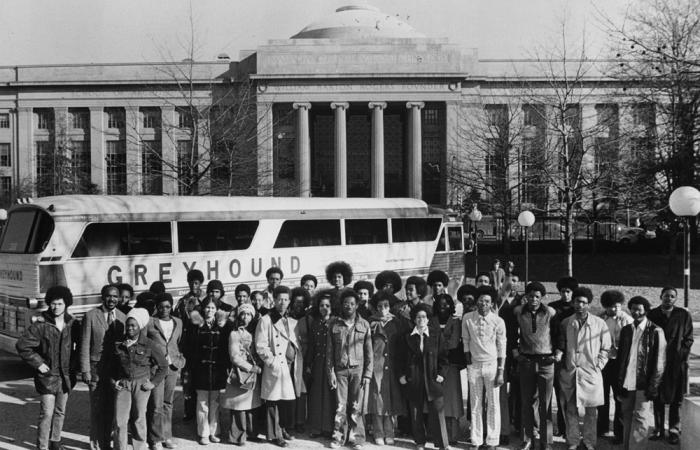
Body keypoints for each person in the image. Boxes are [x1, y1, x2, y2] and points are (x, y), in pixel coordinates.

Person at [16, 286, 79, 450]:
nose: (55, 307)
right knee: (47, 413)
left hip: (65, 376)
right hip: (47, 378)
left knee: (60, 412)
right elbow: (23, 345)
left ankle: (55, 443)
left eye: (59, 304)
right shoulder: (41, 324)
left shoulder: (72, 323)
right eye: (52, 303)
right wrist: (39, 363)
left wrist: (75, 366)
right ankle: (42, 447)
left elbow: (80, 346)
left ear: (66, 304)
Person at [558, 287, 611, 450]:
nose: (580, 305)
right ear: (573, 303)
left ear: (589, 304)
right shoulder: (566, 322)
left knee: (591, 412)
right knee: (571, 409)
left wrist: (599, 365)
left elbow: (606, 348)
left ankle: (589, 442)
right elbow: (561, 346)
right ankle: (573, 440)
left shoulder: (599, 323)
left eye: (583, 302)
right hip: (571, 372)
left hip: (591, 373)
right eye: (577, 302)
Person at [108, 308, 168, 450]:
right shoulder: (119, 345)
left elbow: (163, 366)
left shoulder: (149, 344)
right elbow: (111, 368)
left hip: (141, 385)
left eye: (133, 325)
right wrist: (113, 381)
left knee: (139, 418)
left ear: (140, 327)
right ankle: (120, 447)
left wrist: (153, 383)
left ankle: (140, 446)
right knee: (120, 420)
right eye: (128, 325)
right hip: (124, 385)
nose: (130, 328)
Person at [513, 281, 562, 450]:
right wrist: (516, 353)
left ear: (542, 297)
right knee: (527, 401)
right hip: (526, 361)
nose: (533, 299)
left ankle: (546, 441)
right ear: (526, 296)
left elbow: (558, 335)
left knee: (545, 403)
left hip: (546, 362)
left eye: (537, 296)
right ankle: (528, 438)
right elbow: (512, 333)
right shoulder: (519, 312)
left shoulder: (550, 312)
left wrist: (558, 353)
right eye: (530, 296)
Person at [255, 285, 305, 447]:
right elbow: (261, 346)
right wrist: (273, 362)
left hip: (291, 366)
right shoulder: (266, 320)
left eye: (285, 299)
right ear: (274, 300)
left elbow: (296, 342)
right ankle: (275, 434)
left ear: (289, 301)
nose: (282, 302)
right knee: (273, 401)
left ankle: (282, 428)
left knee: (286, 400)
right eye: (279, 299)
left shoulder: (292, 321)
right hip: (277, 366)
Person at [616, 296, 667, 450]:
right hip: (627, 381)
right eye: (633, 309)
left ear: (646, 310)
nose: (635, 312)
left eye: (639, 309)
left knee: (641, 418)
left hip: (643, 384)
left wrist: (653, 386)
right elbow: (621, 359)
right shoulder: (626, 330)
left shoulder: (656, 331)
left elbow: (660, 362)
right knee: (626, 417)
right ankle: (627, 447)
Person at [398, 303, 451, 450]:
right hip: (413, 379)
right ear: (414, 319)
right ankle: (420, 442)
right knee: (416, 413)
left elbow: (444, 357)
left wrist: (441, 374)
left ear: (428, 319)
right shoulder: (407, 336)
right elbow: (400, 358)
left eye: (424, 317)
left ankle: (442, 444)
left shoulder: (436, 334)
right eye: (418, 317)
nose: (421, 319)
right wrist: (402, 375)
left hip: (433, 378)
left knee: (437, 411)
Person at [81, 284, 126, 450]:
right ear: (102, 297)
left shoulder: (123, 317)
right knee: (97, 409)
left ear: (119, 298)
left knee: (112, 410)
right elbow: (84, 344)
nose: (112, 299)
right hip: (96, 370)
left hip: (115, 371)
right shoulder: (91, 316)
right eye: (108, 296)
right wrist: (85, 370)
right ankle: (96, 445)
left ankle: (107, 444)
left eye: (115, 296)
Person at [326, 289, 372, 450]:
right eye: (346, 303)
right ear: (341, 305)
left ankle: (357, 438)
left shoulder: (364, 325)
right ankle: (338, 438)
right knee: (340, 405)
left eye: (352, 303)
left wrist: (367, 374)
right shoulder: (334, 325)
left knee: (356, 405)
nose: (349, 306)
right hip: (340, 371)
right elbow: (329, 352)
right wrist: (330, 372)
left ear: (357, 305)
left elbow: (369, 352)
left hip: (358, 371)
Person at [647, 286, 694, 445]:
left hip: (676, 362)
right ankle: (659, 429)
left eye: (672, 296)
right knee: (657, 396)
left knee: (676, 399)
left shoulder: (683, 315)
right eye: (666, 295)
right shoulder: (652, 314)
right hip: (657, 362)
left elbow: (688, 338)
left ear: (676, 299)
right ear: (661, 296)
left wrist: (681, 355)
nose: (669, 298)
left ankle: (674, 430)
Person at [462, 285, 506, 450]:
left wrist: (501, 371)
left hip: (492, 366)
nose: (483, 304)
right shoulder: (467, 318)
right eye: (481, 300)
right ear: (476, 301)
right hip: (474, 366)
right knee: (475, 403)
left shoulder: (498, 321)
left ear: (492, 303)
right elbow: (465, 342)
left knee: (494, 404)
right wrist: (469, 365)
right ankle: (476, 440)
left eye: (487, 301)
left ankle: (492, 441)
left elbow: (502, 347)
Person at [183, 297, 230, 445]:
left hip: (217, 369)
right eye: (207, 308)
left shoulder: (222, 325)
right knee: (202, 402)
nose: (210, 311)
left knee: (215, 402)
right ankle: (203, 432)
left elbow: (225, 347)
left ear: (217, 310)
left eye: (213, 308)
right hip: (200, 369)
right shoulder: (195, 324)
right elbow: (189, 347)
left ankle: (214, 431)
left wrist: (225, 366)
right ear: (203, 309)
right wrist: (191, 368)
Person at [145, 293, 186, 450]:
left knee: (168, 403)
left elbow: (179, 343)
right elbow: (144, 343)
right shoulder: (150, 322)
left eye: (168, 306)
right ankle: (155, 438)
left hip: (172, 367)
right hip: (156, 368)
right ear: (157, 307)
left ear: (171, 306)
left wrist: (180, 359)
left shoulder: (178, 322)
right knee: (156, 404)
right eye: (161, 306)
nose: (164, 309)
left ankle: (167, 436)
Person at [367, 290, 407, 445]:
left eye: (386, 305)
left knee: (391, 398)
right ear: (376, 307)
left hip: (392, 365)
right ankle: (378, 431)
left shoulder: (396, 322)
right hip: (376, 365)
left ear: (390, 306)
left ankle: (390, 431)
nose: (383, 308)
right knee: (377, 399)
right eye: (380, 305)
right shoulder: (371, 322)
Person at [221, 303, 263, 446]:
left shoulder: (256, 332)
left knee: (252, 404)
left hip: (254, 374)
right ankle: (237, 436)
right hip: (241, 373)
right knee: (238, 406)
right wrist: (251, 367)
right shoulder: (234, 334)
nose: (246, 317)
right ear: (239, 316)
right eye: (243, 314)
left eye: (249, 314)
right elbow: (234, 357)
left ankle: (252, 433)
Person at [597, 290, 633, 443]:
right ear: (605, 306)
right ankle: (602, 427)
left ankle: (619, 432)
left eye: (617, 306)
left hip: (620, 363)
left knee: (619, 398)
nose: (615, 309)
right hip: (604, 362)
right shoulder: (600, 318)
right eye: (611, 307)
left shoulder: (627, 320)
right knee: (602, 396)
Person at [431, 293, 464, 444]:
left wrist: (437, 347)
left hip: (451, 365)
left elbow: (454, 343)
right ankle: (438, 435)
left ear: (451, 306)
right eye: (440, 304)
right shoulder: (432, 321)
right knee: (437, 400)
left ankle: (453, 435)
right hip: (434, 365)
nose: (443, 307)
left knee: (452, 401)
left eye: (446, 305)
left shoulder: (456, 322)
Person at [548, 276, 578, 438]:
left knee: (566, 394)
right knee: (553, 392)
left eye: (568, 291)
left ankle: (567, 428)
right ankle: (554, 427)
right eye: (563, 291)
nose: (565, 294)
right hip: (554, 352)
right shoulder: (552, 308)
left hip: (570, 353)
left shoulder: (577, 309)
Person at [305, 293, 336, 438]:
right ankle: (316, 428)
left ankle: (328, 428)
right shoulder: (315, 323)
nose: (324, 308)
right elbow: (311, 345)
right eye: (321, 305)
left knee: (330, 396)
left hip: (332, 364)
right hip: (317, 363)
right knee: (316, 395)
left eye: (327, 305)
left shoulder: (336, 322)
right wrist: (309, 363)